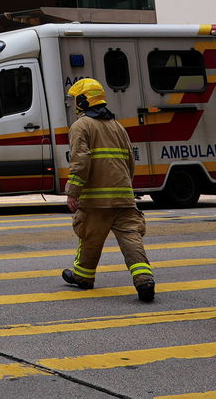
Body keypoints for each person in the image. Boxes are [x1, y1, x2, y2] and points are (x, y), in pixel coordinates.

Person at [60, 78, 154, 302]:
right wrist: (125, 188)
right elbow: (130, 161)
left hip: (95, 200)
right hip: (123, 196)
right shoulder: (117, 126)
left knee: (89, 236)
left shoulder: (81, 126)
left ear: (83, 101)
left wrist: (73, 191)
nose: (74, 103)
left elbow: (80, 162)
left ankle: (83, 277)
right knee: (131, 238)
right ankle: (144, 281)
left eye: (76, 99)